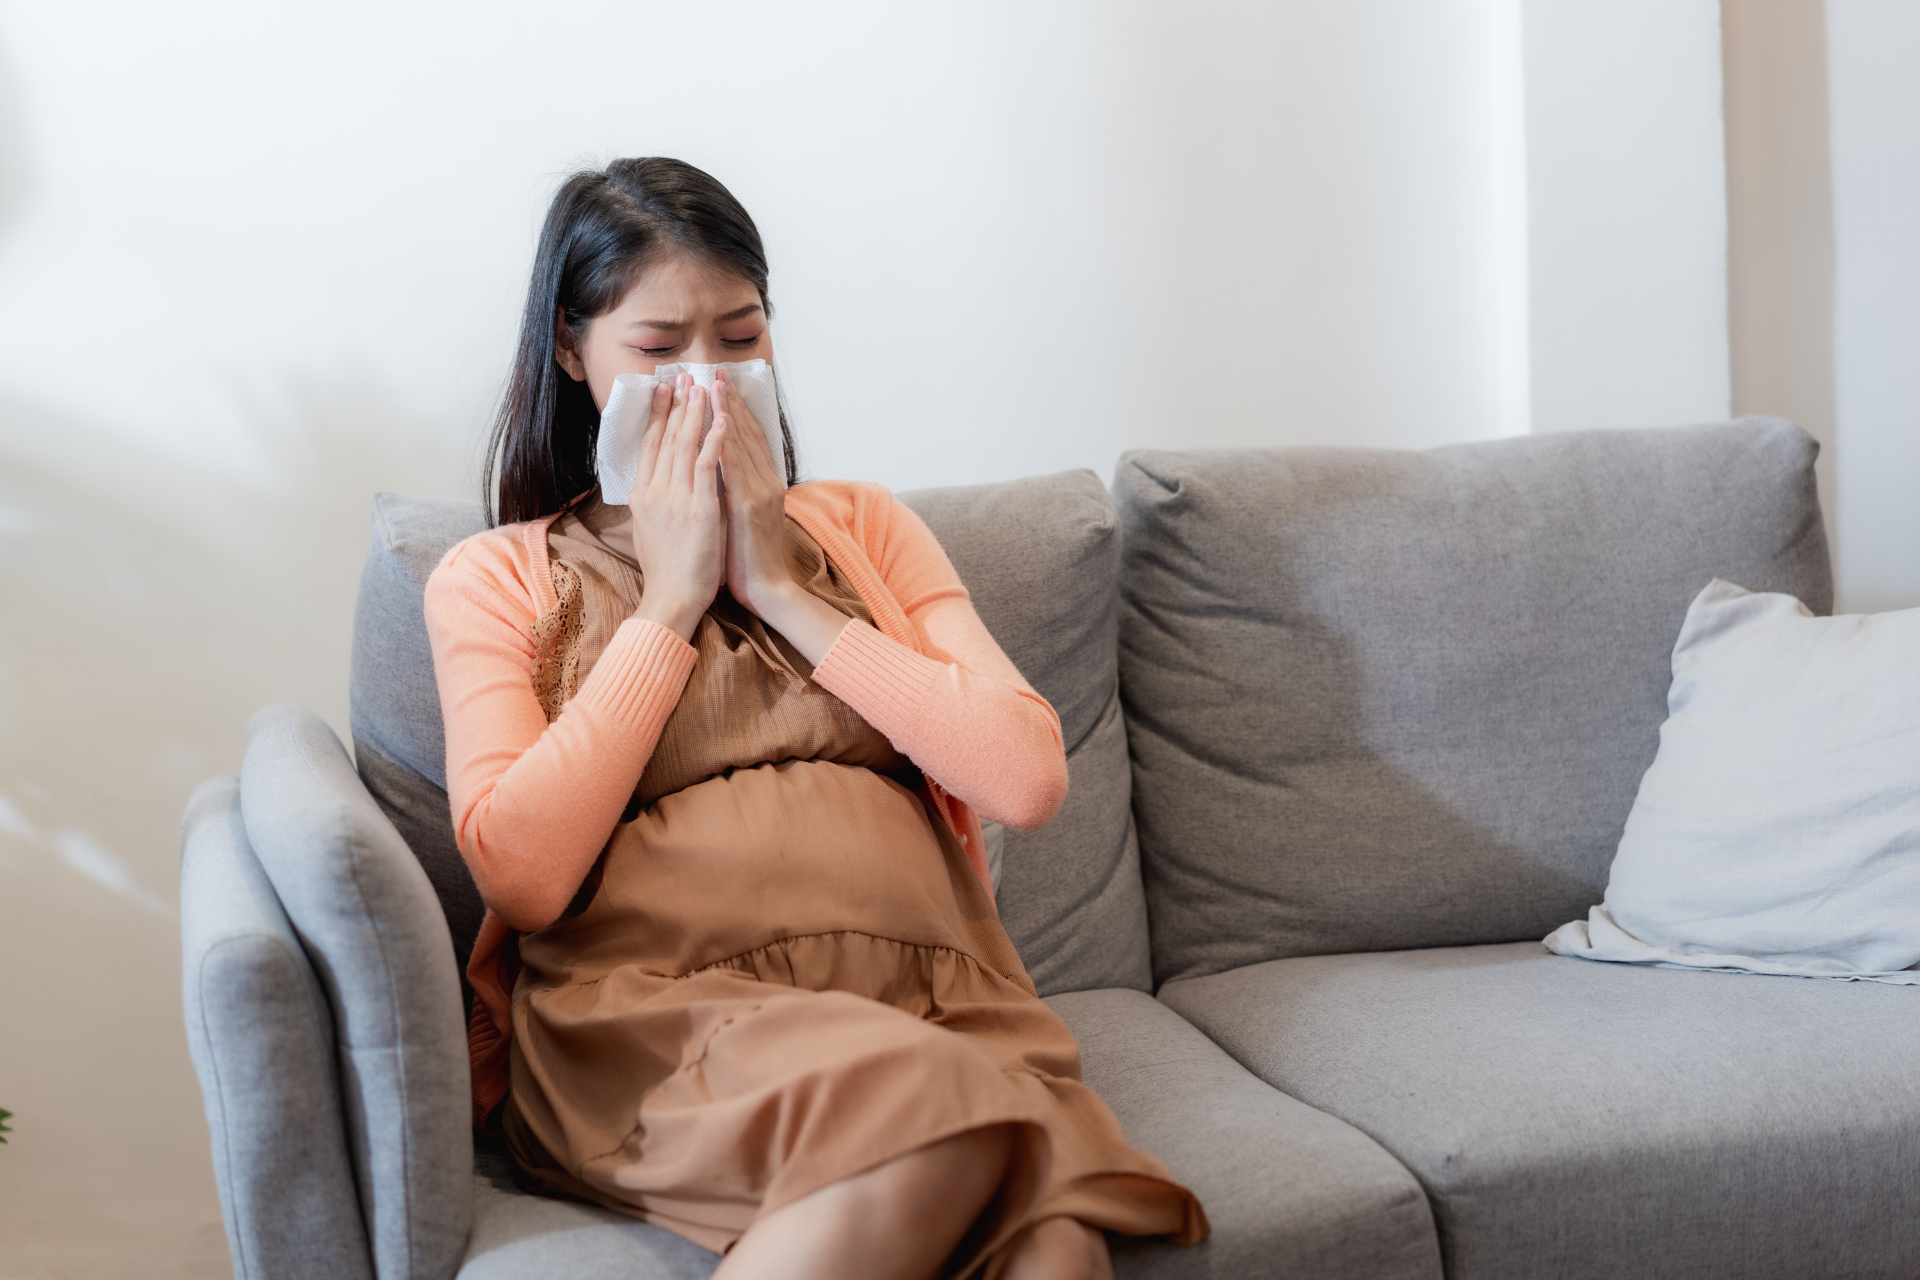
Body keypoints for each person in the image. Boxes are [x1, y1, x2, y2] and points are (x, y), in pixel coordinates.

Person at [425, 156, 1207, 1280]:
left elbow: (1026, 779)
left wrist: (782, 586)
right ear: (569, 349)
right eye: (658, 348)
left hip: (938, 996)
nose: (706, 379)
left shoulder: (862, 527)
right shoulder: (496, 574)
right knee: (957, 1145)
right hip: (665, 1012)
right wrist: (675, 597)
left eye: (741, 338)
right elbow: (523, 873)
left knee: (1060, 1239)